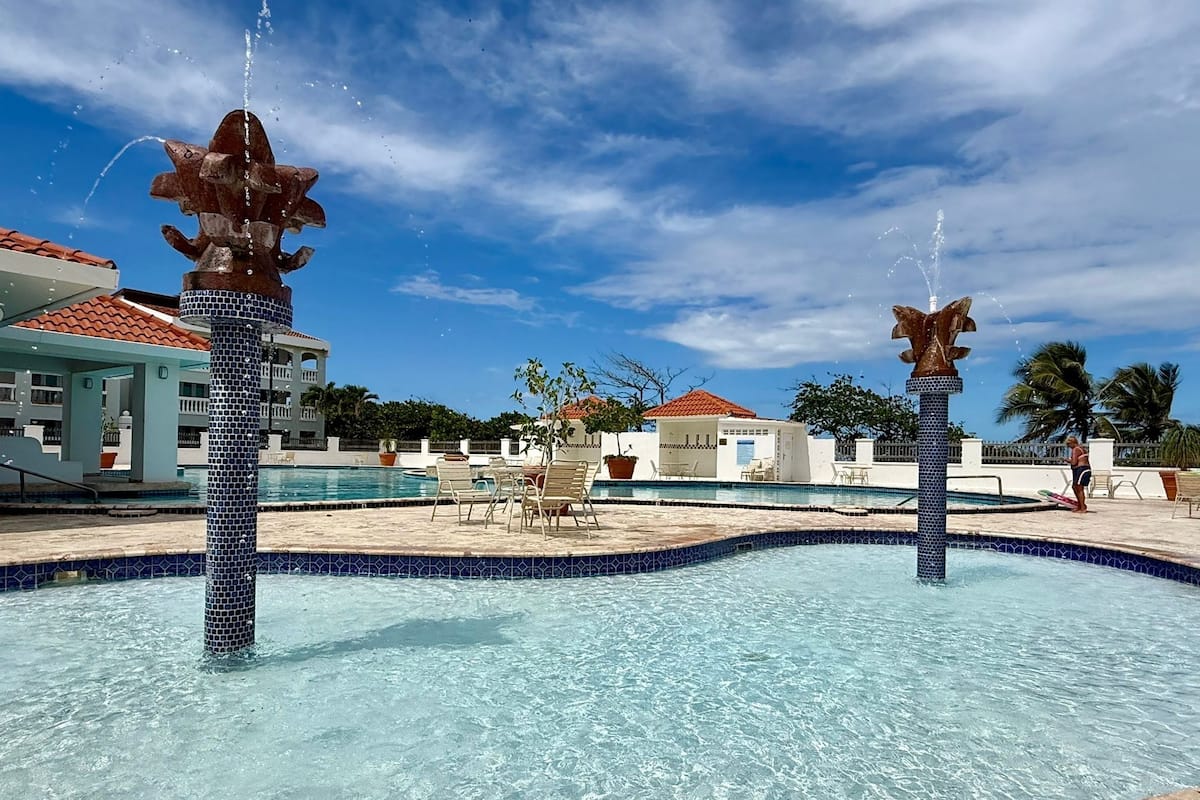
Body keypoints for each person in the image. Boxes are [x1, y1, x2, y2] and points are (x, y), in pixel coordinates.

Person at [1066, 435, 1090, 513]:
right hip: (1083, 469)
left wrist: (1067, 460)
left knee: (1079, 488)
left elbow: (1074, 462)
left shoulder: (1075, 449)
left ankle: (1083, 507)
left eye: (1069, 445)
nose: (1069, 447)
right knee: (1075, 487)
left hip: (1081, 469)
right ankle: (1080, 505)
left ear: (1073, 443)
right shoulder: (1082, 449)